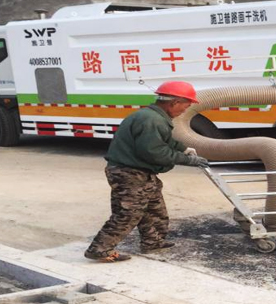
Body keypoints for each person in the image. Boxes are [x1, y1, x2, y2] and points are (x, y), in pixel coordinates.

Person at [85, 81, 209, 263]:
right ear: (174, 102)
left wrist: (183, 149)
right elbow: (155, 152)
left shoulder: (154, 117)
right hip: (129, 173)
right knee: (128, 213)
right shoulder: (151, 120)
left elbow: (162, 142)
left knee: (154, 208)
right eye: (186, 105)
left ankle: (153, 241)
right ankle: (99, 249)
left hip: (141, 171)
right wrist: (187, 160)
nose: (185, 110)